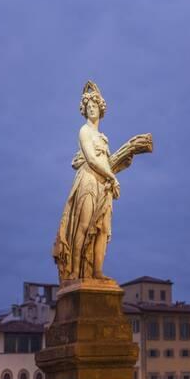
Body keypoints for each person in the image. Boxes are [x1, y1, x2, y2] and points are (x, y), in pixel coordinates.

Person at [53, 81, 120, 281]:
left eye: (95, 106)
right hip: (89, 181)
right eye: (88, 107)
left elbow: (107, 164)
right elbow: (91, 159)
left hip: (104, 185)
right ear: (85, 111)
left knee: (103, 229)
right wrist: (112, 176)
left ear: (101, 110)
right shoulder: (85, 131)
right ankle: (74, 271)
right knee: (83, 225)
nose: (92, 109)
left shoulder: (103, 137)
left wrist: (112, 180)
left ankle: (97, 271)